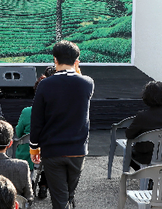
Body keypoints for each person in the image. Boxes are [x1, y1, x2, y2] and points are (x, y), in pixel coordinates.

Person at [30, 40, 94, 209]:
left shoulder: (44, 85)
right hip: (78, 151)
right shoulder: (87, 83)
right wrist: (76, 70)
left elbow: (37, 119)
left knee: (60, 199)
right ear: (77, 60)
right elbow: (77, 80)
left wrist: (34, 147)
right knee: (67, 195)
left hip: (52, 151)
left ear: (55, 60)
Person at [15, 66, 55, 199]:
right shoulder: (56, 113)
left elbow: (18, 132)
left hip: (28, 154)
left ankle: (28, 182)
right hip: (49, 154)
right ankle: (43, 185)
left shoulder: (27, 111)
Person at [125, 81, 162, 170]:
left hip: (146, 158)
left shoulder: (142, 116)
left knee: (127, 151)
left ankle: (147, 176)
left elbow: (129, 134)